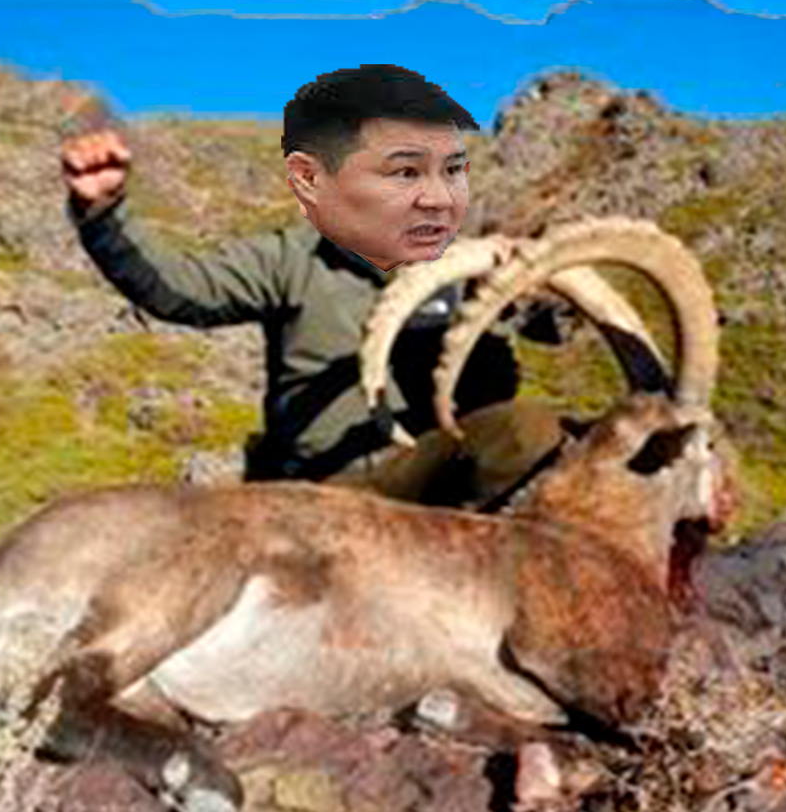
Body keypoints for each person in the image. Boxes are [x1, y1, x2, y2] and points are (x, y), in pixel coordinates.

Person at [62, 64, 566, 501]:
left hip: (421, 471)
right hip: (322, 484)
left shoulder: (458, 268)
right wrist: (103, 213)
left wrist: (504, 299)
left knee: (530, 430)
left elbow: (495, 391)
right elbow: (177, 289)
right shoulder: (292, 258)